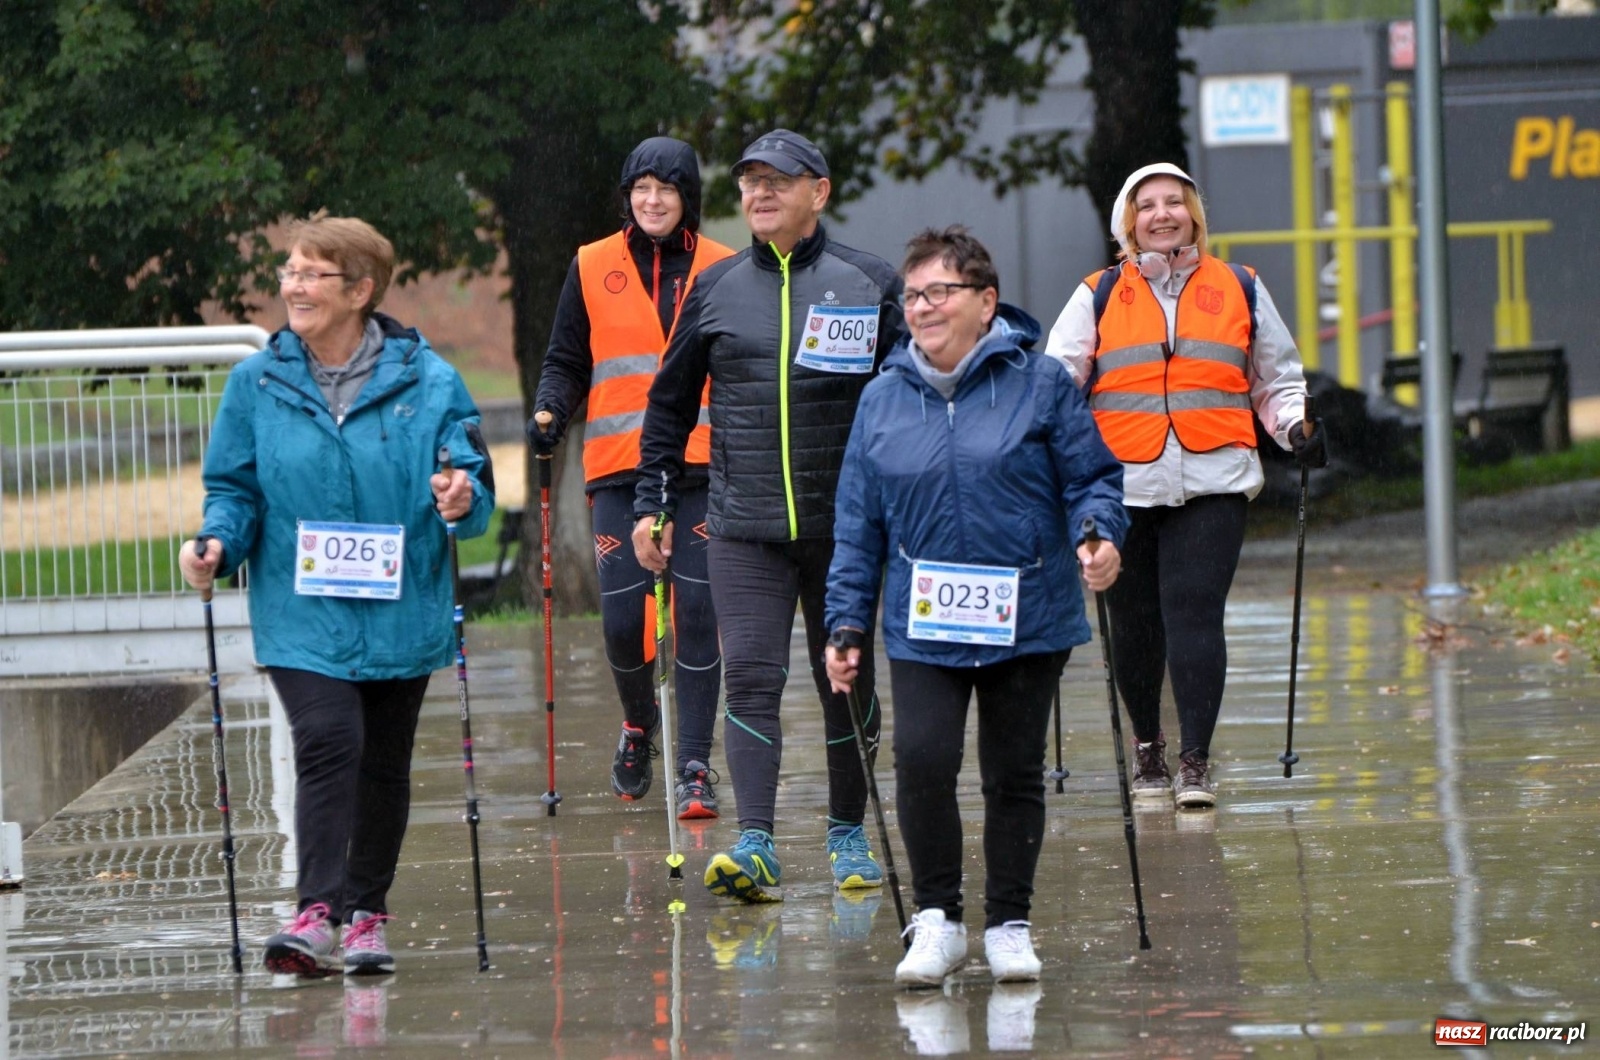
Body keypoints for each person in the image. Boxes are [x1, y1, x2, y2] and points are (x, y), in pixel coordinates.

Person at [178, 213, 494, 977]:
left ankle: (367, 917)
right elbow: (235, 488)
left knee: (383, 763)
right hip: (301, 608)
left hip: (402, 607)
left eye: (312, 273)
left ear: (360, 290)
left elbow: (471, 481)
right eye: (289, 271)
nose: (293, 285)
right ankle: (316, 911)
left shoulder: (430, 379)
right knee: (328, 742)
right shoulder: (258, 382)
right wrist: (218, 542)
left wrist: (460, 496)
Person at [825, 226, 1127, 988]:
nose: (921, 308)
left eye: (939, 293)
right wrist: (846, 620)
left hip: (1029, 613)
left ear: (985, 302)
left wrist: (1098, 534)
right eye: (912, 295)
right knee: (922, 761)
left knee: (1013, 771)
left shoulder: (1042, 383)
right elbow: (859, 522)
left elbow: (1092, 478)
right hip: (924, 622)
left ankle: (1008, 922)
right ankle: (936, 920)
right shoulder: (882, 399)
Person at [631, 128, 904, 902]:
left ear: (818, 191)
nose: (759, 194)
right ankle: (755, 844)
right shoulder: (714, 290)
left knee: (843, 680)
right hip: (744, 525)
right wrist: (653, 504)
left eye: (777, 181)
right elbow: (668, 408)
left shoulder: (867, 282)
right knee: (750, 677)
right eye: (749, 182)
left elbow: (911, 399)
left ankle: (848, 834)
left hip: (844, 528)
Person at [1043, 162, 1326, 810]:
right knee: (1134, 624)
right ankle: (1149, 749)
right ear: (1129, 220)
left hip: (1215, 478)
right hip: (1122, 486)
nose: (1163, 213)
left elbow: (1276, 380)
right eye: (1148, 205)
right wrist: (1048, 456)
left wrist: (1295, 428)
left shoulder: (1240, 286)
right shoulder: (1099, 292)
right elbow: (1054, 384)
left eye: (1176, 202)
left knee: (1195, 611)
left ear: (1195, 214)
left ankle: (1195, 760)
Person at [528, 137, 733, 817]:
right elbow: (566, 358)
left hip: (704, 465)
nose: (652, 201)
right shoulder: (590, 265)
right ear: (626, 197)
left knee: (699, 614)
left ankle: (697, 766)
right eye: (641, 189)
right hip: (619, 470)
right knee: (624, 623)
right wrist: (552, 407)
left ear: (687, 199)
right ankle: (639, 721)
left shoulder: (725, 268)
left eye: (666, 190)